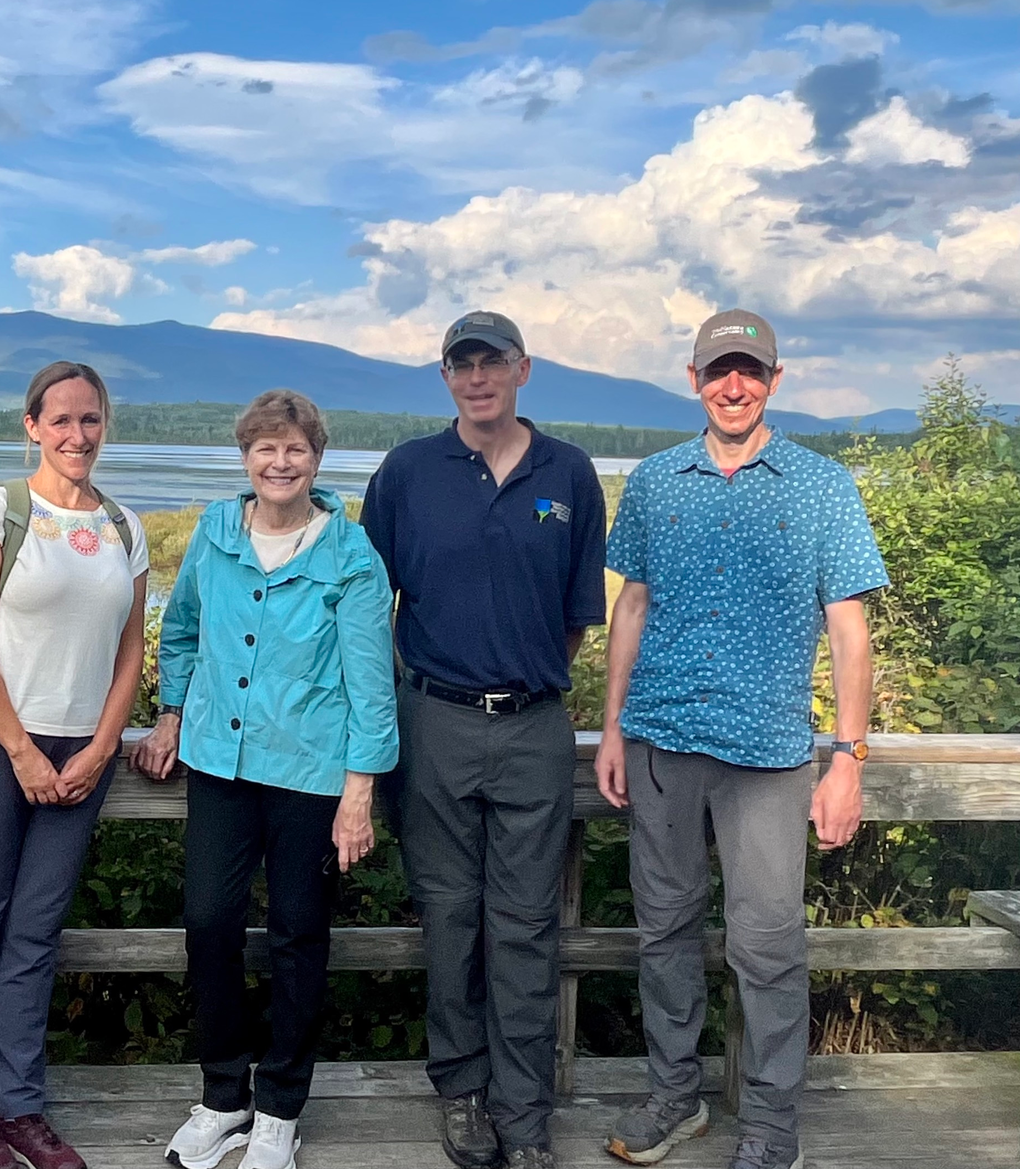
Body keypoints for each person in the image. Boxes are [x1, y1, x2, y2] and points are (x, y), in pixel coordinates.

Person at [597, 311, 887, 1169]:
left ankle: (769, 1124)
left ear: (774, 380)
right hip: (659, 744)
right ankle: (675, 1099)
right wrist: (611, 726)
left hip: (769, 757)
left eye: (750, 372)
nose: (734, 386)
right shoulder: (655, 481)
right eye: (720, 371)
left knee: (766, 943)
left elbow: (849, 631)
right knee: (665, 932)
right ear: (694, 378)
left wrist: (849, 759)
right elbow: (632, 606)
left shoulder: (822, 485)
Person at [359, 312, 608, 1169]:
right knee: (450, 920)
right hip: (433, 722)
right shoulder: (406, 472)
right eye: (461, 364)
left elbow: (578, 620)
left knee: (527, 924)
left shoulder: (569, 473)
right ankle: (462, 1095)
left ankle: (524, 1114)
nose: (478, 377)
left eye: (492, 361)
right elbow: (366, 608)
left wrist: (521, 676)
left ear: (523, 369)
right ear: (446, 377)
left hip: (537, 725)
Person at [134, 389, 398, 1169]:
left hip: (313, 778)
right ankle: (223, 1097)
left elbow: (370, 685)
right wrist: (172, 714)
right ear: (245, 456)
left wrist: (359, 794)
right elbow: (178, 629)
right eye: (265, 448)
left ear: (317, 459)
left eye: (296, 450)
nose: (280, 462)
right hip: (219, 762)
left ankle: (280, 1108)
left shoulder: (350, 556)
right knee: (209, 923)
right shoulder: (216, 533)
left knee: (298, 935)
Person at [0, 361, 150, 1169]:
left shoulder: (125, 527)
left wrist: (101, 746)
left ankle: (21, 1106)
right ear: (32, 426)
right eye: (59, 420)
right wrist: (22, 750)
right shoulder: (0, 509)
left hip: (80, 757)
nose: (76, 435)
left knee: (34, 934)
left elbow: (130, 650)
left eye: (90, 420)